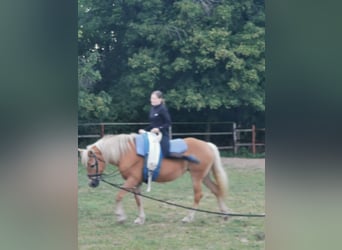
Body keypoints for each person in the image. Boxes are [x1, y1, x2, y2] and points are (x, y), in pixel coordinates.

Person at [139, 90, 171, 157]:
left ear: (160, 99)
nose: (152, 100)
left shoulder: (163, 109)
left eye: (154, 98)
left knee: (165, 152)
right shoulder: (152, 109)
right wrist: (144, 130)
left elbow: (168, 123)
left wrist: (159, 129)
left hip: (162, 134)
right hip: (152, 134)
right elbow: (152, 124)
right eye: (151, 98)